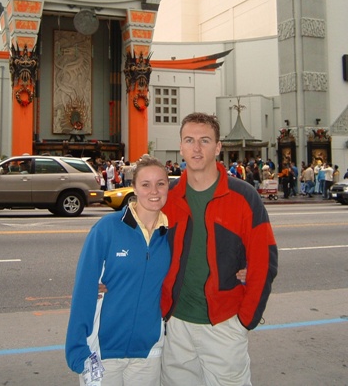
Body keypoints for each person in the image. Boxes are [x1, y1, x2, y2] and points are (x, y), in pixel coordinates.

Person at [160, 112, 278, 386]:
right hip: (175, 326)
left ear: (218, 147)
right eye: (189, 140)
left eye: (204, 140)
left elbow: (264, 262)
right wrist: (109, 276)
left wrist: (245, 320)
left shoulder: (244, 196)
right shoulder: (168, 197)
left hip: (224, 325)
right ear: (181, 146)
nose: (196, 148)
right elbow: (140, 248)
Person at [66, 156, 171, 385]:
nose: (154, 191)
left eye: (160, 183)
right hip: (103, 352)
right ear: (134, 187)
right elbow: (84, 289)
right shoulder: (107, 229)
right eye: (146, 184)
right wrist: (77, 349)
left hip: (148, 354)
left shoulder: (171, 236)